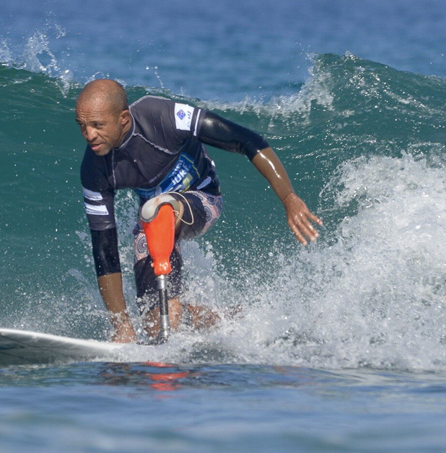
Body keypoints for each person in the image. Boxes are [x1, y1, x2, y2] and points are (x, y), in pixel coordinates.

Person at [76, 79, 321, 343]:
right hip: (153, 221)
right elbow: (104, 250)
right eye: (82, 126)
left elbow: (247, 140)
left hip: (202, 199)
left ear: (123, 119)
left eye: (97, 125)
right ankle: (221, 318)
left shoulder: (162, 116)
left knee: (160, 208)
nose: (89, 135)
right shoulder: (94, 169)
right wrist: (121, 325)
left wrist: (289, 197)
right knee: (158, 323)